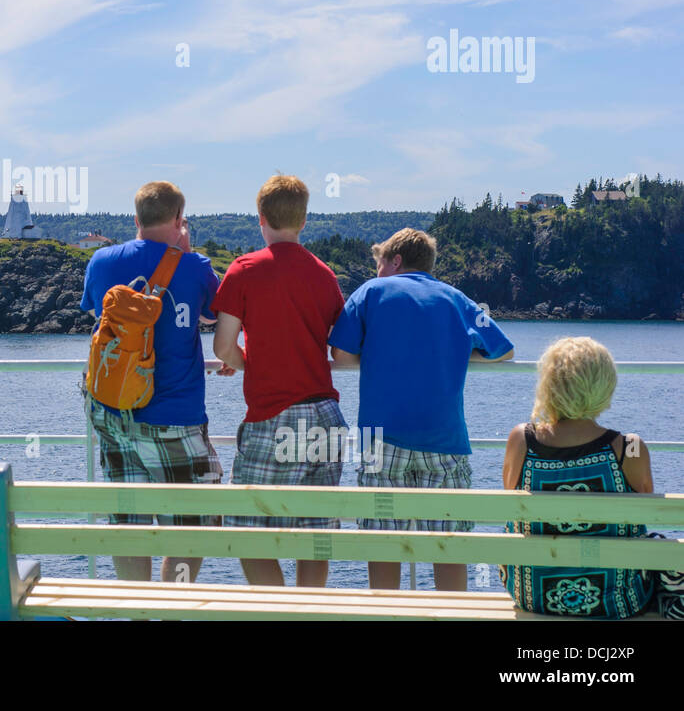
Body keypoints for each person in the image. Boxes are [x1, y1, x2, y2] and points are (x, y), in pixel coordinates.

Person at [328, 227, 514, 591]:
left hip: (380, 443)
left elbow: (341, 355)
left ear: (394, 260)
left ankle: (387, 615)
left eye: (380, 263)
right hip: (444, 442)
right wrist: (458, 353)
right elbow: (503, 351)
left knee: (383, 546)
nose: (377, 271)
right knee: (449, 549)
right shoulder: (456, 299)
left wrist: (377, 354)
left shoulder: (370, 292)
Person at [80, 180, 223, 583]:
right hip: (175, 414)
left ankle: (137, 608)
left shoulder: (102, 261)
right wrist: (186, 252)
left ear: (136, 217)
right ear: (180, 218)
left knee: (129, 524)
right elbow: (212, 317)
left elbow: (94, 311)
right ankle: (171, 604)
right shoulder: (195, 267)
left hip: (112, 411)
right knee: (191, 524)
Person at [211, 175, 345, 587]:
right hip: (325, 414)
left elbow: (222, 347)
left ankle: (278, 610)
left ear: (261, 218)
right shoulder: (325, 275)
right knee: (316, 533)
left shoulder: (244, 270)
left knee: (247, 528)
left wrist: (251, 363)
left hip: (275, 416)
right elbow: (339, 352)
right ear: (303, 221)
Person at [500, 336, 656, 618]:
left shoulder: (520, 439)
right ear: (605, 385)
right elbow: (643, 512)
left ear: (549, 386)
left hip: (534, 597)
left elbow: (512, 501)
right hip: (616, 600)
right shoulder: (630, 446)